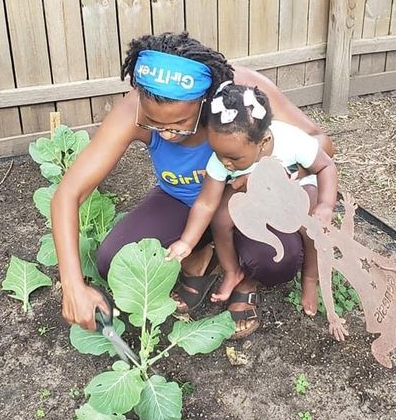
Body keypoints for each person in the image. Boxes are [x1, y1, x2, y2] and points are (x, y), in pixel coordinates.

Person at [52, 32, 333, 336]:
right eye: (153, 123)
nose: (167, 134)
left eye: (179, 124)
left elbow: (321, 144)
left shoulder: (243, 96)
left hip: (250, 204)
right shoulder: (132, 110)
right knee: (114, 260)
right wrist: (72, 285)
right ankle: (204, 252)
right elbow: (68, 193)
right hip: (184, 202)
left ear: (206, 101)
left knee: (276, 260)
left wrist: (269, 171)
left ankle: (243, 277)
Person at [165, 83, 338, 338]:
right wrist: (186, 242)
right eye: (218, 154)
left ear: (263, 142)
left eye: (234, 159)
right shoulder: (224, 156)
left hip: (294, 190)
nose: (225, 163)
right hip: (250, 193)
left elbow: (326, 167)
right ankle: (232, 270)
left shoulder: (291, 140)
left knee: (310, 226)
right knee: (221, 218)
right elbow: (205, 203)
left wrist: (325, 205)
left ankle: (310, 279)